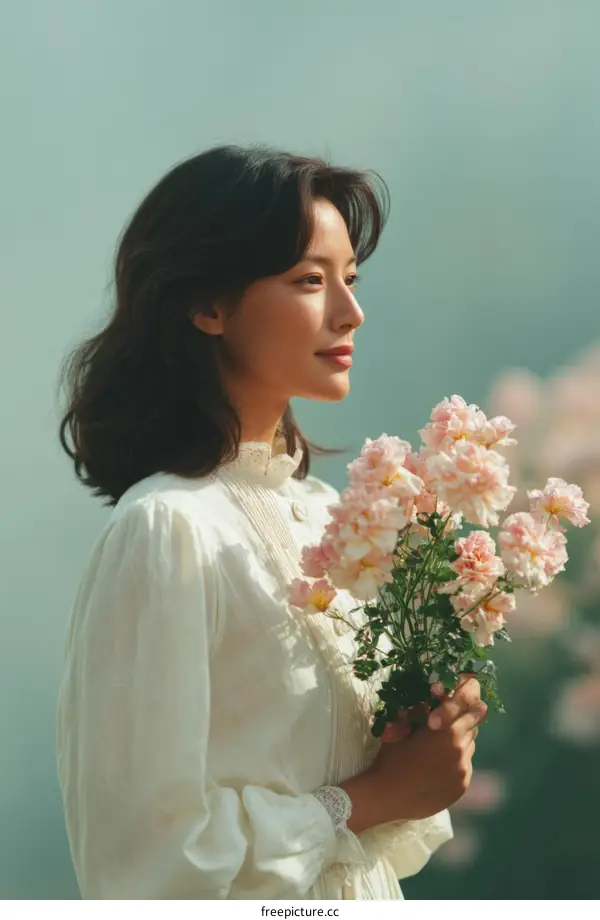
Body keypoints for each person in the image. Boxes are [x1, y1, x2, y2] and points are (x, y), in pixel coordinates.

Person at [55, 143, 488, 900]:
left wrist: (425, 745)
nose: (350, 311)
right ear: (206, 305)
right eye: (309, 281)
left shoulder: (331, 524)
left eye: (349, 280)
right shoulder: (166, 530)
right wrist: (375, 796)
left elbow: (374, 838)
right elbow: (143, 861)